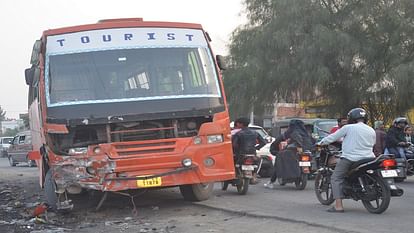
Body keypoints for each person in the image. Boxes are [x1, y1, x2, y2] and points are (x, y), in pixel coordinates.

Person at [318, 108, 376, 213]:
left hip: (350, 158)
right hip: (369, 158)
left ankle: (338, 206)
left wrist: (321, 143)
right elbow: (373, 143)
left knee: (336, 178)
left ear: (351, 118)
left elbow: (332, 138)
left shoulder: (348, 127)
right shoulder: (371, 129)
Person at [264, 119, 313, 189]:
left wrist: (274, 148)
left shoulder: (292, 132)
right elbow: (313, 142)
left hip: (294, 151)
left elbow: (280, 139)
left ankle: (271, 181)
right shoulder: (306, 133)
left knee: (279, 159)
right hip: (307, 151)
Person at [232, 117, 267, 184]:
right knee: (259, 160)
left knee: (233, 162)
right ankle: (254, 174)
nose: (237, 125)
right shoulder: (255, 133)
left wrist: (235, 151)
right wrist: (256, 148)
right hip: (252, 154)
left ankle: (235, 175)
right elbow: (263, 142)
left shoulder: (238, 134)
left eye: (237, 124)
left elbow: (234, 145)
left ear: (241, 124)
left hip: (240, 154)